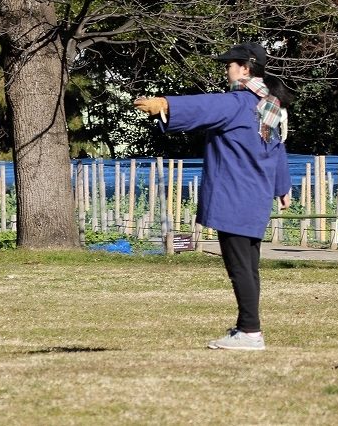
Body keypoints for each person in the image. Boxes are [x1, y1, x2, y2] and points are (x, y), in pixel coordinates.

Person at [134, 42, 294, 351]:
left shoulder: (239, 102)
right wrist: (282, 186)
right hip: (255, 198)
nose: (226, 68)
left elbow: (204, 107)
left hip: (234, 198)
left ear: (245, 68)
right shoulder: (270, 106)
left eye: (230, 64)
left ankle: (250, 332)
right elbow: (277, 150)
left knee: (239, 268)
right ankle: (248, 328)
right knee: (248, 267)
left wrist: (165, 104)